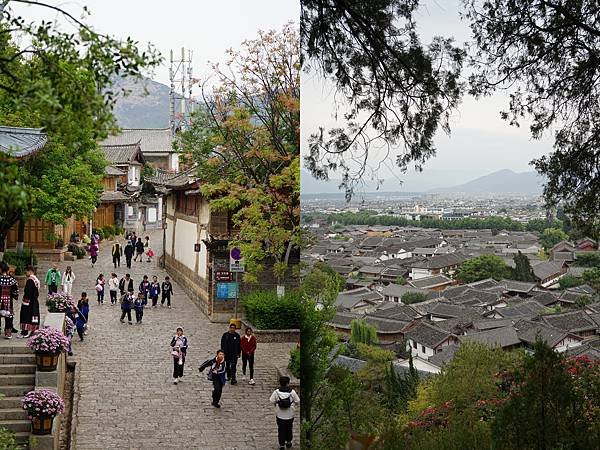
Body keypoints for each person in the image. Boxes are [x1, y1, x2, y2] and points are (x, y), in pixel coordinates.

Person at [270, 376, 300, 450]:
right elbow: (297, 401)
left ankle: (281, 445)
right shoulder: (292, 392)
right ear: (287, 383)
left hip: (280, 415)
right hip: (290, 415)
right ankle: (289, 441)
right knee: (289, 428)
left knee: (281, 429)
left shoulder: (276, 392)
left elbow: (271, 401)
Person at [18, 266, 40, 338]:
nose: (25, 273)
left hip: (29, 302)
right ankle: (33, 330)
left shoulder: (30, 280)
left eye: (26, 272)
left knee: (26, 316)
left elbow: (27, 292)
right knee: (33, 316)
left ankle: (25, 332)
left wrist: (25, 302)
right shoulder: (36, 279)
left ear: (30, 271)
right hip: (34, 301)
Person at [0, 261, 18, 339]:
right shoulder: (12, 279)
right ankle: (8, 333)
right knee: (8, 317)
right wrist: (15, 296)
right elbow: (15, 291)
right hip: (8, 301)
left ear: (0, 269)